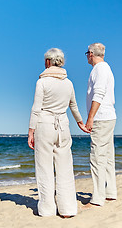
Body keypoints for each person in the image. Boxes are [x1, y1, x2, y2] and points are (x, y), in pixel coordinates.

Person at [28, 48, 89, 218]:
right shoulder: (68, 83)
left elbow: (36, 108)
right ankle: (68, 209)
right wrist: (80, 123)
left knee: (44, 168)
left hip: (45, 125)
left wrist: (31, 131)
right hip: (63, 126)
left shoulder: (42, 82)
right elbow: (73, 106)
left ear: (48, 62)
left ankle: (47, 209)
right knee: (65, 168)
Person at [83, 43, 117, 208]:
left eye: (86, 53)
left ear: (91, 53)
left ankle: (97, 197)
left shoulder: (100, 69)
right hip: (108, 116)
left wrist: (90, 118)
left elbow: (99, 94)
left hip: (102, 117)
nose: (86, 56)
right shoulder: (105, 68)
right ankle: (110, 192)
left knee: (97, 157)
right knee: (107, 156)